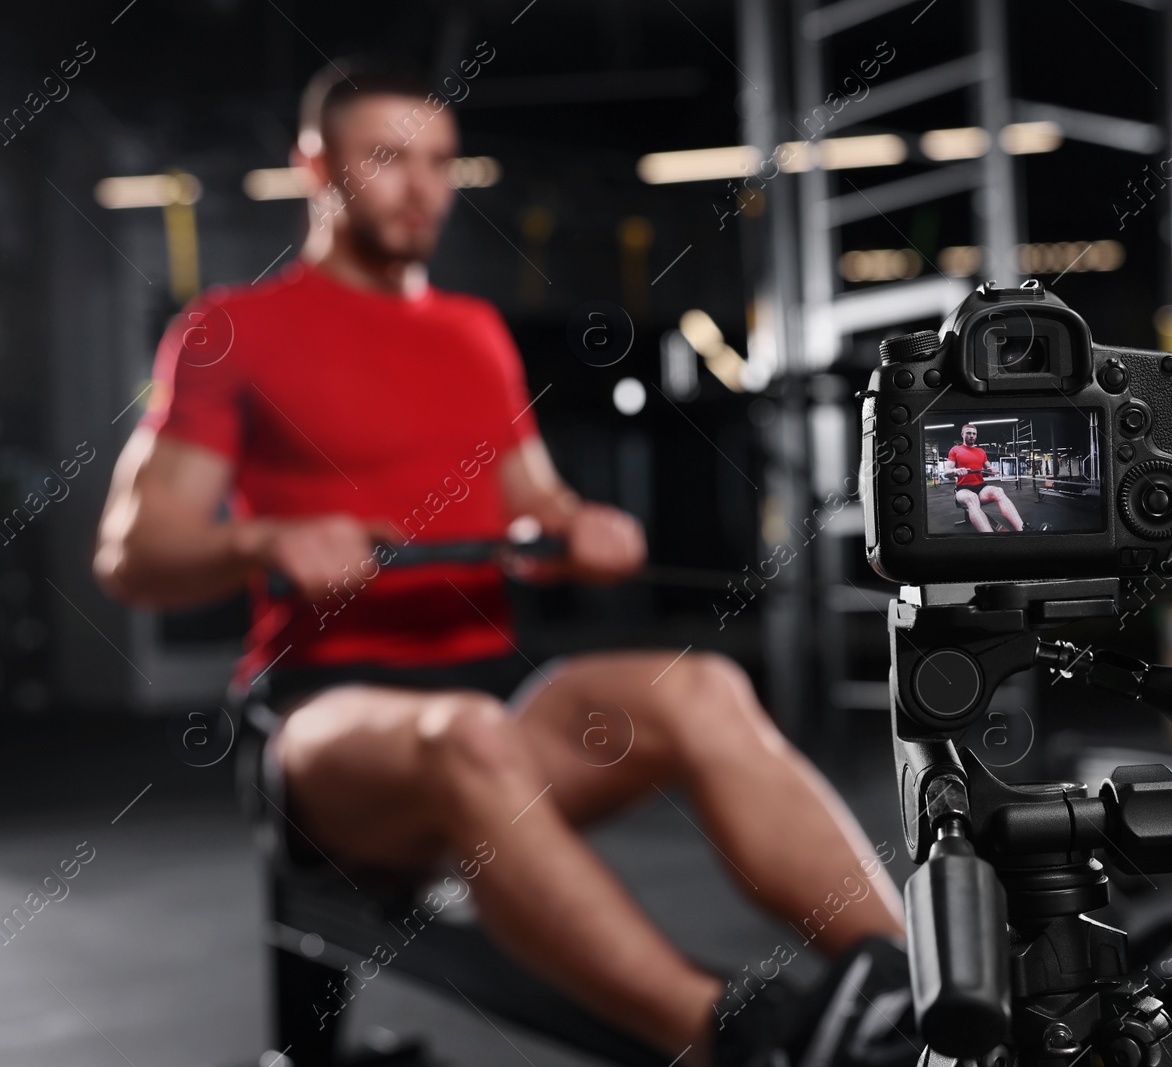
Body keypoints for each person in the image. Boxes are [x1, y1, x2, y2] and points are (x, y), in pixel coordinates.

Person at [92, 55, 917, 1067]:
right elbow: (132, 551)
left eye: (439, 160)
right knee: (469, 735)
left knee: (698, 686)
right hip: (324, 717)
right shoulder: (230, 328)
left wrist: (583, 527)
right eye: (387, 159)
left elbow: (537, 503)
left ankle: (905, 996)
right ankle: (739, 1038)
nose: (422, 187)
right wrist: (265, 537)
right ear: (316, 165)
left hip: (494, 694)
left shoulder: (474, 333)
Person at [948, 423, 1026, 532]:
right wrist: (955, 471)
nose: (972, 436)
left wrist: (993, 470)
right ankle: (989, 537)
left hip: (981, 488)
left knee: (999, 491)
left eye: (974, 434)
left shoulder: (981, 451)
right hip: (963, 489)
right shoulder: (955, 450)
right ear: (962, 434)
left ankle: (1022, 529)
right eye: (969, 433)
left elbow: (989, 468)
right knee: (972, 498)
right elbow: (946, 472)